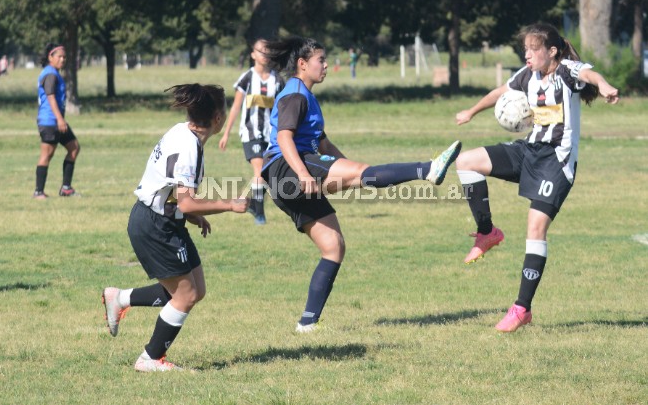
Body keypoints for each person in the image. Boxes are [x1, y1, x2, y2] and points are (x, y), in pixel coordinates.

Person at [261, 36, 462, 333]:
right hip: (287, 169)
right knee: (363, 174)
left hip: (287, 174)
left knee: (333, 247)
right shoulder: (295, 95)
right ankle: (428, 169)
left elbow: (324, 143)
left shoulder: (304, 95)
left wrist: (350, 167)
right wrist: (305, 174)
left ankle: (307, 323)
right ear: (302, 64)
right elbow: (283, 138)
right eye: (321, 60)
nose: (326, 65)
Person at [454, 23, 619, 332]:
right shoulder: (527, 75)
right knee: (466, 161)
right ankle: (487, 231)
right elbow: (500, 92)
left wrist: (606, 86)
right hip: (529, 151)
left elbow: (591, 76)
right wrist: (471, 111)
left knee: (534, 228)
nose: (526, 54)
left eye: (532, 49)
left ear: (551, 51)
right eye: (525, 49)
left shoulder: (568, 71)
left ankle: (521, 308)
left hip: (556, 163)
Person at [101, 84, 249, 372]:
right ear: (218, 118)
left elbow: (174, 194)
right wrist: (229, 204)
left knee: (196, 289)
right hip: (155, 225)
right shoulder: (188, 146)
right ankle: (151, 358)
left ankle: (119, 297)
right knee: (186, 295)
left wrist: (193, 216)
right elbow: (187, 201)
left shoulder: (183, 132)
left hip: (165, 219)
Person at [219, 39, 285, 225]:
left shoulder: (278, 80)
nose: (264, 54)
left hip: (271, 134)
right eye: (261, 51)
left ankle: (254, 205)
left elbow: (283, 108)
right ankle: (259, 214)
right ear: (253, 54)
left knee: (265, 174)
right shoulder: (247, 78)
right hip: (250, 133)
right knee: (259, 170)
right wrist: (226, 133)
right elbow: (235, 107)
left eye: (267, 51)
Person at [33, 43, 81, 199]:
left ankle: (66, 188)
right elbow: (50, 97)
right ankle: (38, 192)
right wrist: (60, 119)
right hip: (50, 121)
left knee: (73, 147)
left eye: (64, 56)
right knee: (47, 154)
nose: (62, 59)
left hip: (56, 121)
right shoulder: (50, 74)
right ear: (50, 57)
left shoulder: (54, 73)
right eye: (59, 56)